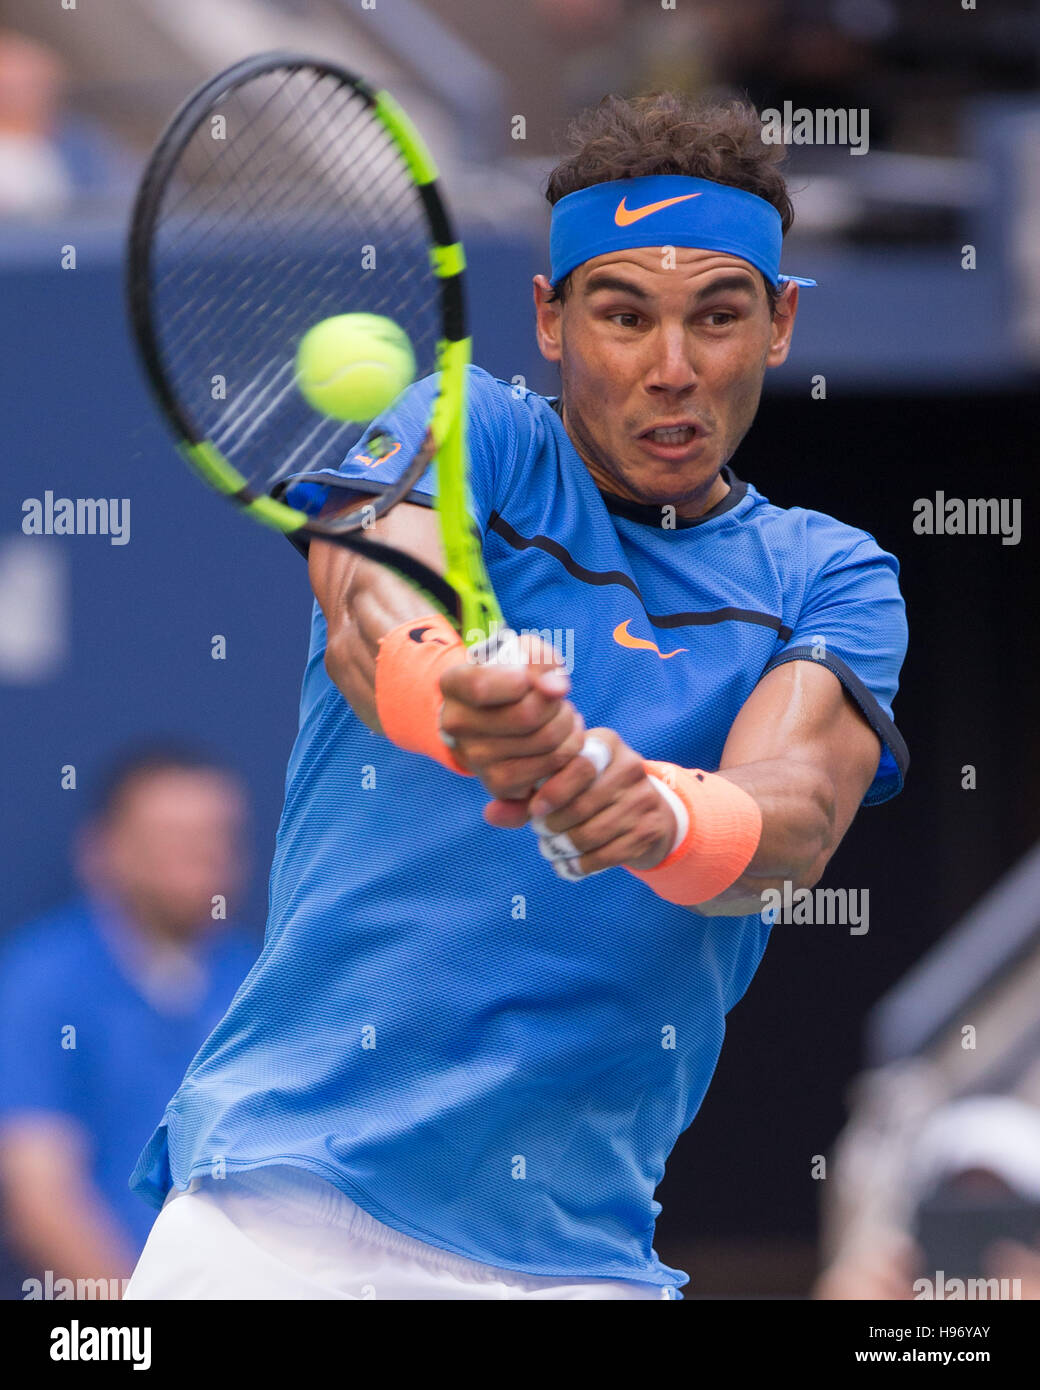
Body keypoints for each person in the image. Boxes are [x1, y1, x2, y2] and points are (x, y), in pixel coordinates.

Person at [124, 92, 908, 1301]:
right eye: (620, 314)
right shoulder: (462, 423)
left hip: (581, 1262)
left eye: (716, 316)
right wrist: (460, 698)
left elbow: (791, 820)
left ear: (778, 325)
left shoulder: (830, 573)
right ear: (548, 318)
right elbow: (369, 607)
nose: (669, 369)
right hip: (282, 1216)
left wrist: (647, 811)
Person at [0, 747, 257, 1294]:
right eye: (169, 838)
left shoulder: (260, 982)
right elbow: (38, 1196)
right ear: (103, 851)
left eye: (215, 837)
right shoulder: (43, 979)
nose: (198, 858)